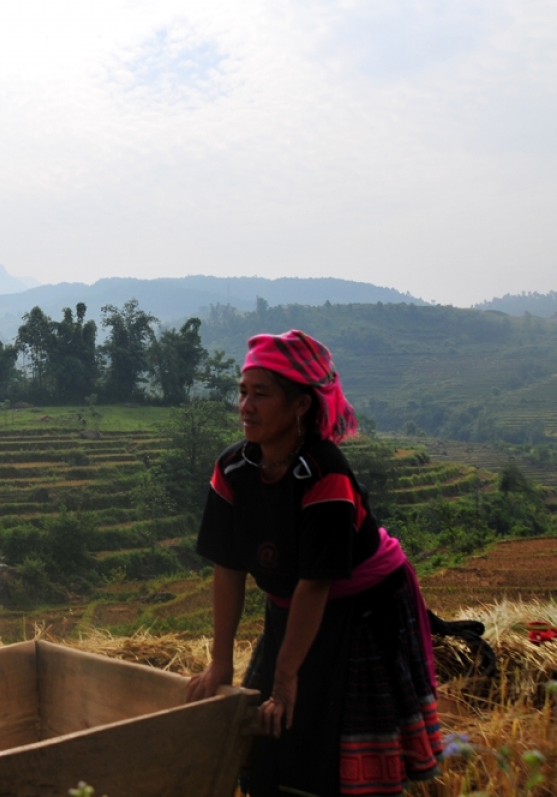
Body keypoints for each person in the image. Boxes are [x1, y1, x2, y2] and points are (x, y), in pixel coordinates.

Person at [186, 330, 442, 797]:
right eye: (243, 392)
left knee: (330, 738)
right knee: (265, 736)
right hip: (289, 605)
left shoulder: (326, 475)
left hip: (361, 607)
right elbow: (228, 569)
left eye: (261, 395)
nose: (246, 406)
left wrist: (285, 683)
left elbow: (315, 585)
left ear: (301, 405)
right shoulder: (232, 471)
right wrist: (219, 662)